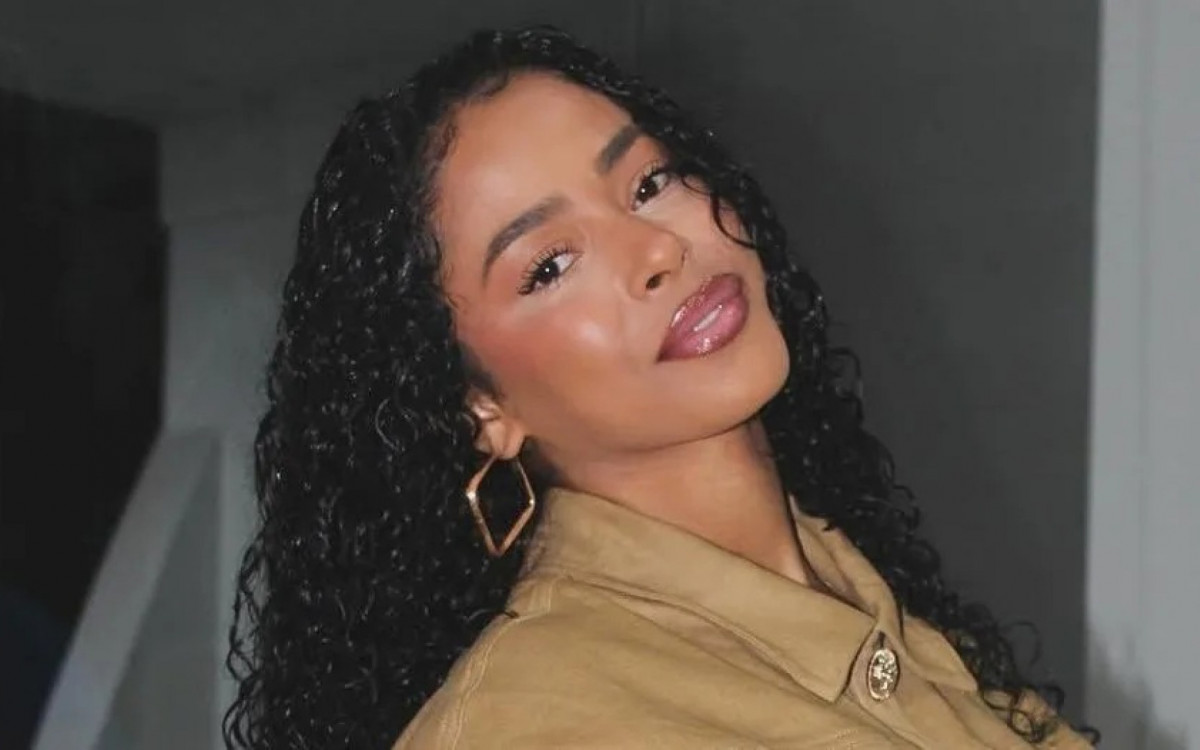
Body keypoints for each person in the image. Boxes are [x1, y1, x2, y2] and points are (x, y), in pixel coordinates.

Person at [224, 25, 1096, 749]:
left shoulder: (895, 621)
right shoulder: (524, 727)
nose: (658, 250)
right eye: (550, 264)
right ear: (482, 410)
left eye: (648, 183)